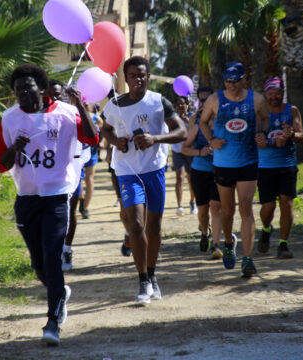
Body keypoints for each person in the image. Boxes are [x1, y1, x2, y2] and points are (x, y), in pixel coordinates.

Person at [0, 64, 98, 344]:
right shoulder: (10, 118)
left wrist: (81, 107)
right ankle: (60, 292)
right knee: (38, 263)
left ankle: (52, 322)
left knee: (52, 257)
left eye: (28, 87)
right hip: (26, 197)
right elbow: (1, 164)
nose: (23, 93)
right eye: (17, 90)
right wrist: (15, 148)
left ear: (41, 88)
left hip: (56, 195)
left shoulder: (65, 113)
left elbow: (92, 137)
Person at [102, 56, 187, 304]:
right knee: (136, 223)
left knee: (154, 227)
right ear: (126, 78)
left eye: (142, 75)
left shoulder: (159, 102)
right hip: (127, 170)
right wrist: (114, 140)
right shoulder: (115, 104)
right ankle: (142, 281)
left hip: (154, 170)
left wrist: (155, 138)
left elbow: (181, 131)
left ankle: (152, 274)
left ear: (148, 76)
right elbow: (105, 128)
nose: (138, 79)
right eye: (132, 76)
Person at [199, 62, 269, 277]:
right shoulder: (215, 99)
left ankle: (248, 258)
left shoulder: (256, 99)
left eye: (235, 81)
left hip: (248, 160)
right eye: (227, 81)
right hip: (223, 163)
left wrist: (263, 134)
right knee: (227, 211)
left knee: (246, 208)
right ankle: (229, 242)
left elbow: (265, 119)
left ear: (243, 79)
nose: (231, 85)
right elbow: (203, 122)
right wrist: (212, 140)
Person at [256, 77, 303, 259]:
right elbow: (256, 138)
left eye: (277, 93)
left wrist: (291, 135)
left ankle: (283, 244)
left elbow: (301, 136)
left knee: (286, 202)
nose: (274, 97)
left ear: (282, 93)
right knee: (268, 207)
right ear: (265, 94)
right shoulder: (260, 113)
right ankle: (267, 229)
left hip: (287, 164)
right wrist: (269, 141)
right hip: (265, 166)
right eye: (270, 93)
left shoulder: (292, 111)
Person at [47, 80, 91, 271]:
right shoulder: (41, 116)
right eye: (52, 95)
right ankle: (51, 251)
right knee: (50, 214)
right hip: (49, 173)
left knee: (69, 212)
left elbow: (92, 136)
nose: (56, 98)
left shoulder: (71, 113)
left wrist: (80, 105)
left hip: (72, 169)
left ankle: (67, 248)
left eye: (59, 94)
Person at [181, 94, 223, 259]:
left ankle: (216, 244)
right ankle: (205, 233)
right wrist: (200, 152)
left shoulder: (222, 126)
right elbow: (184, 148)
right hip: (200, 172)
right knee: (203, 209)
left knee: (215, 206)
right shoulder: (197, 128)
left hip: (219, 171)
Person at [172, 96, 197, 216]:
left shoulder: (192, 117)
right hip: (177, 151)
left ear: (187, 105)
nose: (181, 106)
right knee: (180, 177)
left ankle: (193, 202)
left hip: (190, 151)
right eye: (178, 105)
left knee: (191, 178)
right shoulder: (172, 118)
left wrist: (187, 121)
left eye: (183, 104)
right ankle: (179, 205)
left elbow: (196, 130)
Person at [79, 102, 104, 219]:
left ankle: (85, 208)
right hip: (77, 154)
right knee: (78, 181)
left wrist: (102, 142)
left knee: (89, 180)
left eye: (87, 102)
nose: (85, 103)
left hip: (91, 153)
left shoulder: (96, 118)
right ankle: (81, 200)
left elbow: (104, 132)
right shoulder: (75, 115)